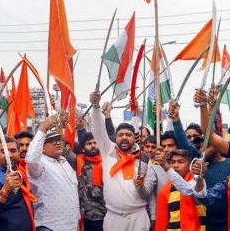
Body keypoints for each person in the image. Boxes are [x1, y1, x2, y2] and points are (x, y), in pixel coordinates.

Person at [90, 91, 151, 231]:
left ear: (133, 138)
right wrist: (95, 107)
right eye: (120, 135)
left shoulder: (144, 157)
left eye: (128, 135)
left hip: (138, 217)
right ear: (115, 138)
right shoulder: (108, 150)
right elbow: (98, 129)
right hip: (113, 217)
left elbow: (148, 191)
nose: (124, 137)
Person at [26, 117, 79, 231]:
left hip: (71, 225)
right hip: (50, 226)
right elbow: (31, 160)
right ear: (42, 148)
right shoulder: (40, 164)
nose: (58, 143)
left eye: (59, 140)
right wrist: (43, 129)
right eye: (51, 141)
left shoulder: (64, 161)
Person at [0, 136, 35, 231]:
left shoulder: (21, 174)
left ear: (19, 153)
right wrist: (4, 191)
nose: (10, 155)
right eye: (4, 151)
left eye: (13, 151)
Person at [155, 149, 206, 231]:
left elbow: (187, 190)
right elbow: (162, 222)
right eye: (172, 162)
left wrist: (166, 167)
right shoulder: (165, 191)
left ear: (190, 165)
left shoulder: (198, 183)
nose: (175, 165)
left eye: (180, 162)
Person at [77, 132, 106, 231]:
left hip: (105, 214)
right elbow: (64, 151)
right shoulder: (78, 163)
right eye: (89, 144)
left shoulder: (107, 162)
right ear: (83, 148)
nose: (93, 145)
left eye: (95, 142)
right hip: (86, 215)